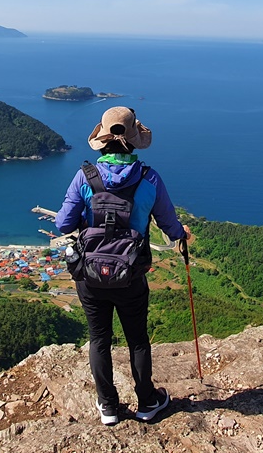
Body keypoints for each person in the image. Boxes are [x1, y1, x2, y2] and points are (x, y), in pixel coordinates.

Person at [55, 106, 191, 426]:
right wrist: (180, 234)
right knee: (138, 340)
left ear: (102, 140)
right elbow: (169, 225)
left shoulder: (85, 176)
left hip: (90, 276)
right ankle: (147, 402)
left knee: (99, 339)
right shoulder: (149, 178)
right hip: (130, 275)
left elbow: (63, 224)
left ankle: (108, 407)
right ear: (133, 142)